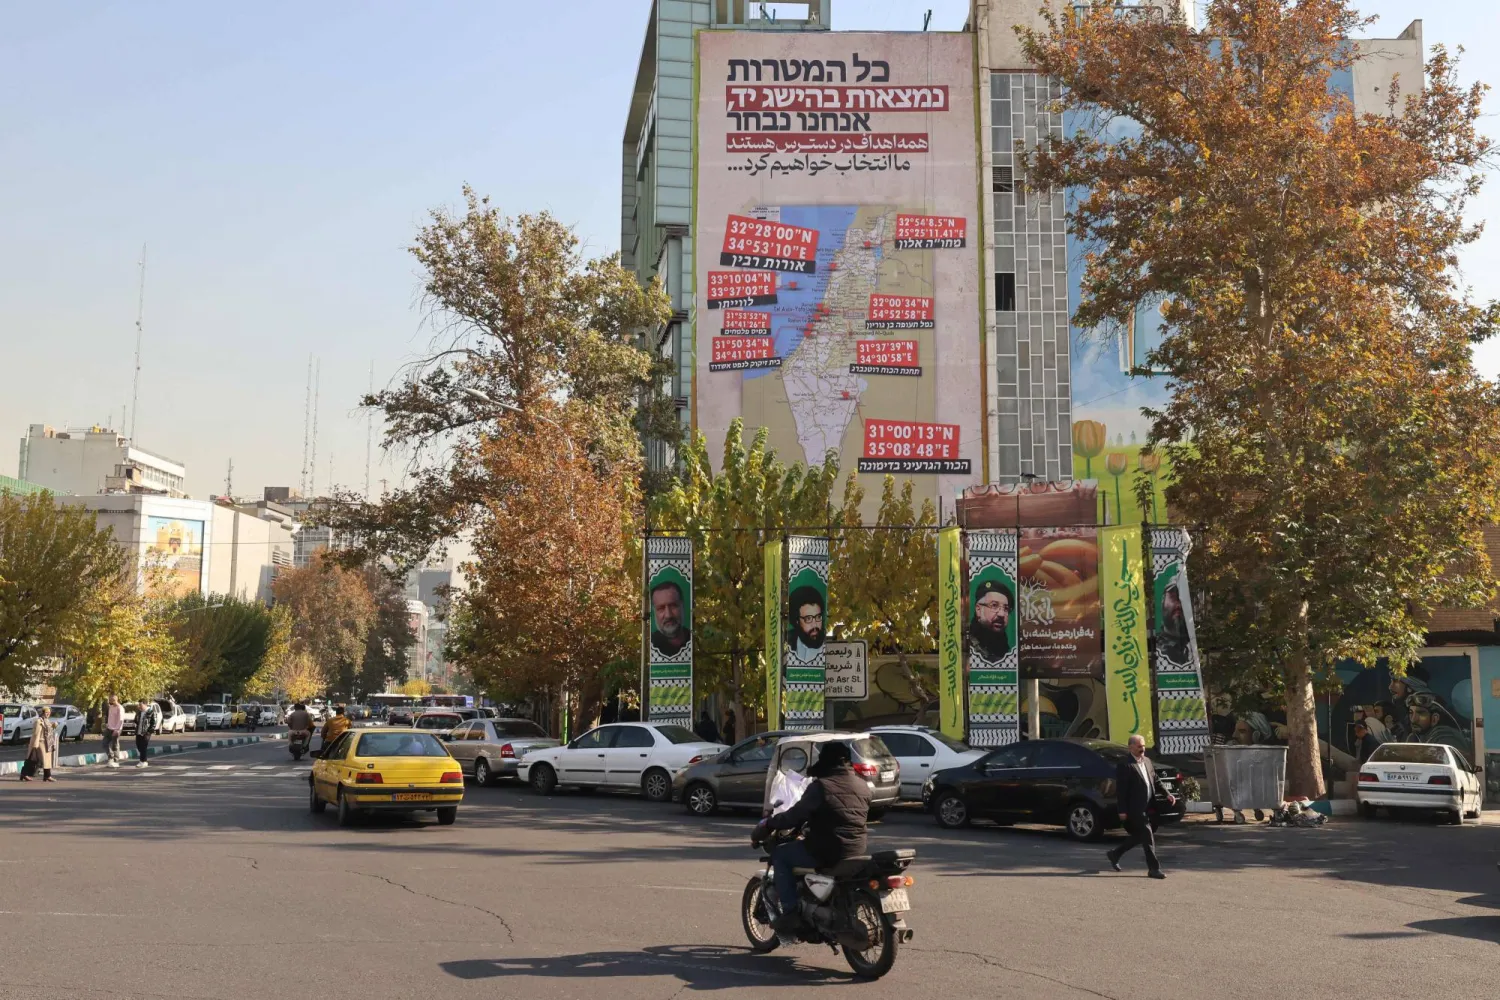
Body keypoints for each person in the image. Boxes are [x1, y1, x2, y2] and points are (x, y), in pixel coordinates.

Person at [752, 740, 870, 932]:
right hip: (857, 849)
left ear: (826, 760)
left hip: (826, 850)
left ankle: (790, 913)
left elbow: (793, 816)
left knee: (781, 855)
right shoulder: (862, 785)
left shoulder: (821, 787)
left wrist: (769, 823)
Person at [1106, 734, 1174, 879]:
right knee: (1148, 835)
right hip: (1135, 808)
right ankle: (1153, 869)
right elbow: (1121, 790)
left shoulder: (1147, 761)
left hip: (1149, 806)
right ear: (1131, 747)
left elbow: (1155, 780)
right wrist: (1122, 810)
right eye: (1139, 746)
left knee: (1140, 836)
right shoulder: (1125, 765)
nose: (1142, 749)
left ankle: (1115, 854)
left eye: (1143, 746)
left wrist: (1167, 793)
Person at [968, 578, 1013, 662]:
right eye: (994, 605)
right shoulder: (968, 646)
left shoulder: (1005, 649)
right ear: (978, 609)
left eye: (1006, 609)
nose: (1001, 614)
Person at [649, 580, 692, 657]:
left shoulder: (694, 639)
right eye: (661, 608)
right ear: (654, 611)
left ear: (682, 606)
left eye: (673, 606)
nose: (668, 615)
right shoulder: (650, 644)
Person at [786, 586, 826, 663]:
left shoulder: (828, 646)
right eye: (808, 618)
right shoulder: (786, 643)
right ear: (797, 621)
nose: (815, 625)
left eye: (818, 617)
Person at [1157, 582, 1191, 664]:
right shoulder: (1158, 649)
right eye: (1173, 598)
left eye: (1182, 600)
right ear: (1163, 602)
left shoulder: (1194, 644)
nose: (1178, 605)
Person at [22, 706, 59, 782]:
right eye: (46, 712)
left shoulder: (47, 720)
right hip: (39, 742)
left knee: (46, 760)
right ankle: (25, 774)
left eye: (49, 713)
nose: (48, 714)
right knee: (32, 758)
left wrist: (53, 726)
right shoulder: (39, 721)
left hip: (46, 743)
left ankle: (47, 776)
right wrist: (35, 744)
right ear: (42, 713)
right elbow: (36, 733)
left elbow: (48, 730)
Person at [135, 700, 160, 768]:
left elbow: (154, 723)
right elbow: (136, 720)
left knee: (143, 746)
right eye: (139, 705)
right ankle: (143, 760)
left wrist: (149, 732)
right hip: (139, 731)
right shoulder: (139, 712)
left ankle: (143, 761)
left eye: (140, 705)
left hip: (146, 732)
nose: (139, 706)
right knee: (138, 745)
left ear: (145, 704)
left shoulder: (151, 712)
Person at [104, 695, 124, 768]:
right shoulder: (110, 707)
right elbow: (108, 717)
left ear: (115, 700)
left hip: (116, 729)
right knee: (104, 743)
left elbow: (120, 720)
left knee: (115, 745)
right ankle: (111, 756)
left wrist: (117, 729)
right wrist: (107, 724)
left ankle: (116, 761)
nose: (109, 702)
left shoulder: (120, 708)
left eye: (111, 700)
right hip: (109, 728)